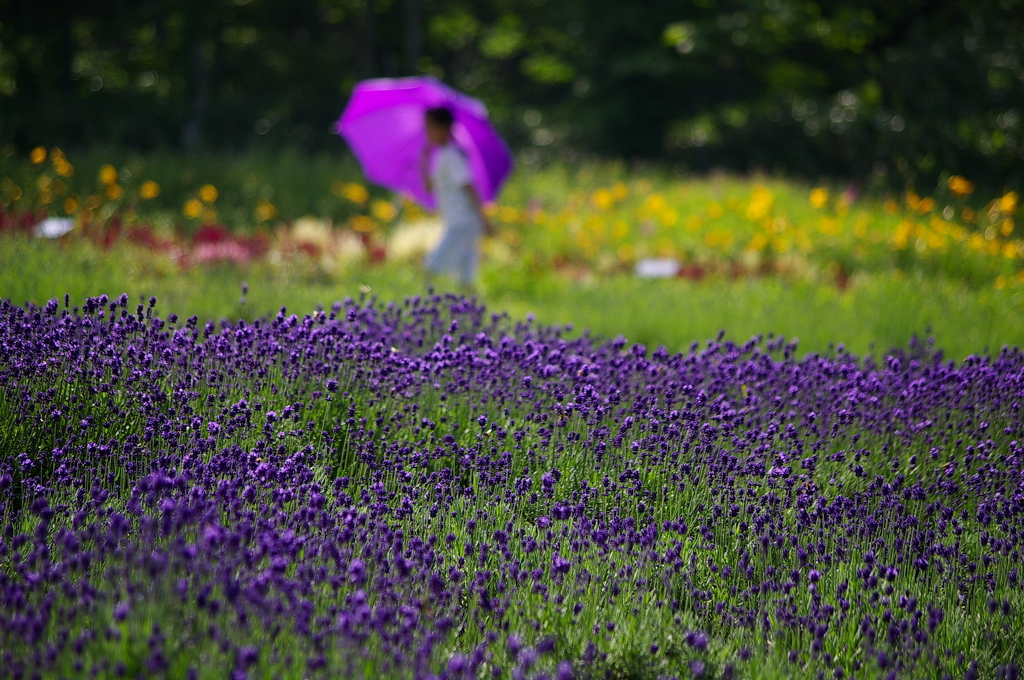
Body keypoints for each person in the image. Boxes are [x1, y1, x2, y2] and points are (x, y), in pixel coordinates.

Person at [420, 106, 493, 289]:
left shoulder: (452, 155)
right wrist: (424, 160)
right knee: (465, 277)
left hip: (463, 221)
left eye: (430, 127)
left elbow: (469, 187)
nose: (427, 132)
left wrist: (484, 220)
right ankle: (471, 313)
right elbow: (430, 188)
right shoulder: (441, 155)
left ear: (444, 128)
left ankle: (428, 307)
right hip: (457, 220)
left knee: (432, 266)